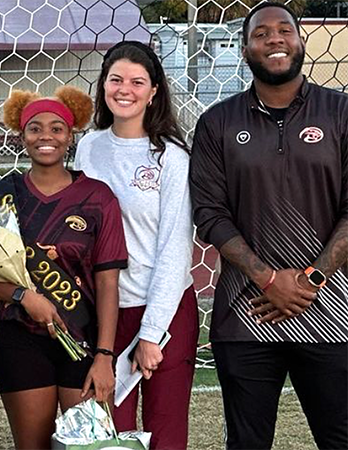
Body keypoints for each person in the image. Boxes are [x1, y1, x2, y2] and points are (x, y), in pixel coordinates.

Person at [190, 3, 348, 449]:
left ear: (301, 43)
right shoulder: (217, 123)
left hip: (333, 315)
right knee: (247, 442)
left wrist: (310, 279)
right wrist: (268, 278)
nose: (274, 39)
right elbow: (209, 214)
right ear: (245, 50)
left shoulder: (341, 113)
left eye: (284, 31)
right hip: (246, 318)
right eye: (262, 33)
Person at [0, 85, 127, 450]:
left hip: (84, 340)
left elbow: (108, 284)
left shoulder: (98, 197)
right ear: (21, 136)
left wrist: (105, 356)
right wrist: (24, 296)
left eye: (57, 128)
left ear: (70, 136)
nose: (46, 136)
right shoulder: (1, 195)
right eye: (35, 128)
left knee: (89, 447)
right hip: (21, 341)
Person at [73, 41, 197, 450]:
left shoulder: (172, 158)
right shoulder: (89, 146)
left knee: (165, 433)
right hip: (105, 311)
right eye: (116, 79)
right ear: (103, 85)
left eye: (137, 82)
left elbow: (176, 249)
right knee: (110, 433)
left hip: (163, 312)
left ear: (154, 90)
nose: (125, 89)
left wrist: (151, 332)